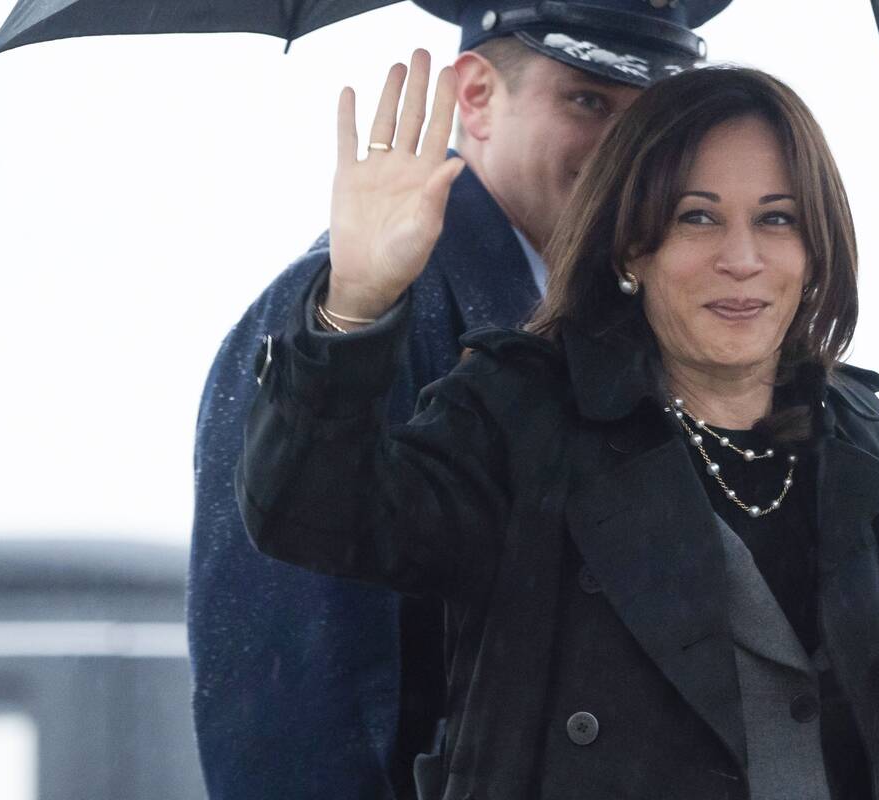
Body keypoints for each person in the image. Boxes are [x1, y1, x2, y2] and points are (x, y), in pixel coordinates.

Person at [237, 58, 879, 800]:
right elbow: (311, 511)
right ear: (631, 247)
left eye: (777, 218)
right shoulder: (520, 411)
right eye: (698, 218)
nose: (742, 257)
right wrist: (355, 303)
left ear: (817, 248)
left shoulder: (860, 433)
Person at [188, 1, 733, 797]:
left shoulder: (629, 326)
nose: (629, 149)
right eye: (588, 100)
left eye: (655, 116)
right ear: (474, 96)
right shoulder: (347, 318)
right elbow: (291, 695)